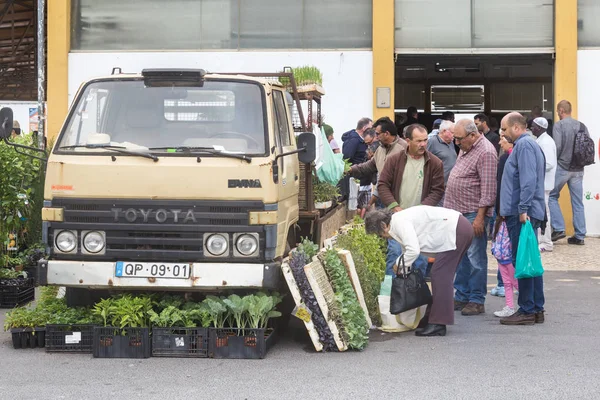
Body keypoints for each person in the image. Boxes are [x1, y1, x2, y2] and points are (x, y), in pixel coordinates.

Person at [364, 206, 474, 337]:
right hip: (457, 228)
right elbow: (407, 250)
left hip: (456, 230)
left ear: (383, 225)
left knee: (440, 275)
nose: (384, 238)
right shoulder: (396, 222)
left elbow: (413, 250)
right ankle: (431, 318)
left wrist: (397, 264)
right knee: (440, 275)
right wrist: (402, 267)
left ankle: (438, 323)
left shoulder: (399, 223)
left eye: (380, 234)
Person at [444, 119, 497, 316]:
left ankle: (476, 299)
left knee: (475, 257)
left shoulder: (486, 152)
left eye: (459, 139)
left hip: (473, 213)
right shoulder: (466, 147)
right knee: (462, 256)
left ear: (473, 135)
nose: (457, 143)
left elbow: (489, 189)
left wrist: (480, 218)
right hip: (458, 212)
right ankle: (462, 294)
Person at [377, 124, 445, 277]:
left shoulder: (435, 163)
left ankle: (415, 295)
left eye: (425, 140)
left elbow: (438, 190)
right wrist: (394, 207)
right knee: (394, 255)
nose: (423, 144)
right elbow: (383, 185)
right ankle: (391, 295)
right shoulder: (394, 160)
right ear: (408, 141)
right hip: (397, 218)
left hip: (421, 222)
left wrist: (420, 209)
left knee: (419, 259)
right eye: (418, 141)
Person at [498, 112, 546, 325]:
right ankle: (535, 308)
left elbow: (528, 180)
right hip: (522, 211)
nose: (503, 133)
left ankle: (527, 308)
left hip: (521, 214)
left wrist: (523, 208)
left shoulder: (525, 146)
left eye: (505, 129)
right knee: (530, 259)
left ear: (516, 128)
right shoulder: (527, 145)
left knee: (524, 260)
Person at [549, 100, 587, 245]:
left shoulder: (559, 125)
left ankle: (559, 228)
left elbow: (557, 147)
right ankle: (580, 236)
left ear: (561, 110)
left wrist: (554, 162)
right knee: (578, 202)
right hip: (578, 169)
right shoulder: (582, 126)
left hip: (563, 167)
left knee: (551, 195)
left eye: (558, 111)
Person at [347, 117, 407, 208]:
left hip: (399, 200)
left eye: (378, 134)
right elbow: (369, 166)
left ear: (386, 134)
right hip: (383, 196)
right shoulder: (381, 149)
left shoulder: (403, 148)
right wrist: (350, 169)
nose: (376, 137)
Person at [490, 134, 516, 315]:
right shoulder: (509, 157)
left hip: (506, 215)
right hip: (506, 216)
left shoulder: (507, 158)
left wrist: (500, 211)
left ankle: (518, 303)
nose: (499, 142)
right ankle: (512, 304)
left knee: (511, 271)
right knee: (508, 270)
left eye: (503, 137)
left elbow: (500, 187)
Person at [531, 117, 557, 252]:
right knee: (541, 213)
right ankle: (542, 240)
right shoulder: (541, 140)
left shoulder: (546, 142)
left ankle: (547, 243)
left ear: (540, 128)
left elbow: (549, 163)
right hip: (542, 184)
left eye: (533, 126)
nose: (531, 128)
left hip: (544, 184)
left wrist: (533, 167)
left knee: (544, 214)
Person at [426, 120, 457, 185]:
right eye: (452, 132)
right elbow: (425, 162)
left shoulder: (451, 143)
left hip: (451, 184)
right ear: (444, 131)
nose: (454, 135)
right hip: (439, 185)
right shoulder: (432, 142)